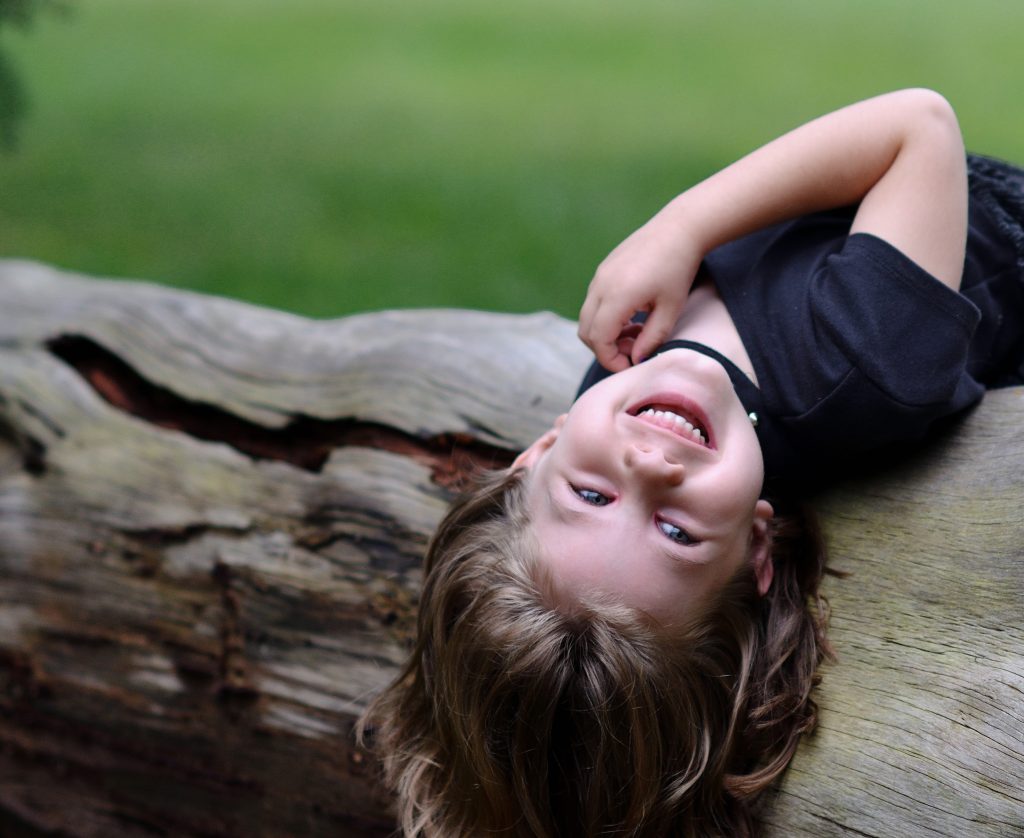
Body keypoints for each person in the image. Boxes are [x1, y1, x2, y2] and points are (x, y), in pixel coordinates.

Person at [360, 89, 1024, 837]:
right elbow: (917, 125)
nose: (650, 465)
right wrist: (681, 226)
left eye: (590, 493)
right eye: (676, 533)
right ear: (757, 551)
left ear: (537, 454)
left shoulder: (616, 385)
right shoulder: (861, 361)